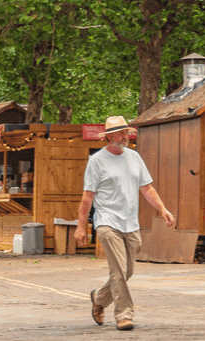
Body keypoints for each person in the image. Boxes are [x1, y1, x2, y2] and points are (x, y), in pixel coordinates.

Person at [75, 116, 176, 331]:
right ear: (110, 137)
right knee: (119, 270)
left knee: (128, 271)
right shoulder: (97, 161)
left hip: (130, 223)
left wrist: (163, 209)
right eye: (121, 133)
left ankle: (100, 298)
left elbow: (147, 188)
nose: (125, 136)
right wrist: (81, 227)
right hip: (107, 222)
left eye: (126, 132)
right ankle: (123, 315)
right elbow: (87, 197)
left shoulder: (134, 157)